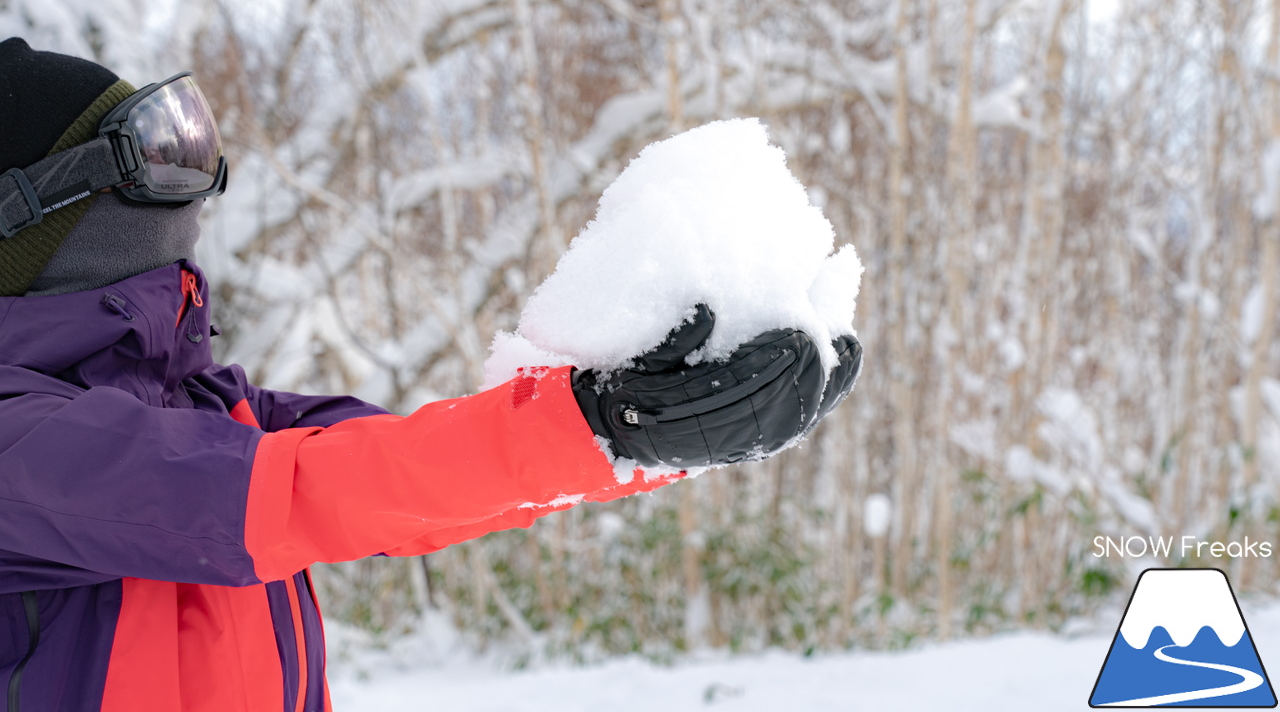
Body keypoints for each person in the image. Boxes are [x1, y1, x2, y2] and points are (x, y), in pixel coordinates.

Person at [0, 38, 862, 712]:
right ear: (30, 216)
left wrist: (630, 426)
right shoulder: (20, 443)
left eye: (188, 139)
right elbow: (289, 495)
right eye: (151, 151)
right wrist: (604, 426)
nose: (190, 180)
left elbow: (398, 473)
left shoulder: (200, 404)